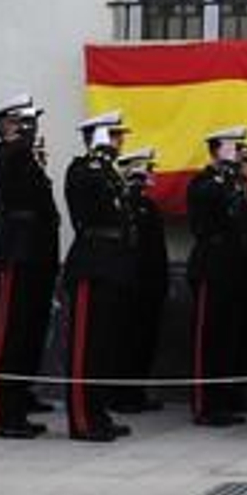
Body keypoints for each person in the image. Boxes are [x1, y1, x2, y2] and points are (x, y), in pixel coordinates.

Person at [0, 95, 60, 439]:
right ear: (11, 125)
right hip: (14, 252)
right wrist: (23, 139)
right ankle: (2, 413)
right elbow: (14, 155)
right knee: (8, 335)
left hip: (35, 254)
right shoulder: (5, 156)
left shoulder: (26, 159)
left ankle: (19, 398)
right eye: (27, 123)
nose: (34, 129)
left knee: (28, 333)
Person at [62, 112, 136, 442]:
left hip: (113, 263)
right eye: (115, 136)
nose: (121, 143)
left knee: (104, 346)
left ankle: (99, 411)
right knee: (85, 347)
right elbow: (86, 200)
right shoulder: (84, 169)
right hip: (91, 262)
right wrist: (99, 155)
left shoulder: (110, 172)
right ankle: (82, 419)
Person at [185, 127, 247, 427]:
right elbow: (209, 203)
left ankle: (224, 400)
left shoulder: (235, 185)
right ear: (219, 150)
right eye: (235, 148)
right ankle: (204, 404)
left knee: (228, 339)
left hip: (233, 267)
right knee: (208, 338)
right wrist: (228, 174)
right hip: (210, 266)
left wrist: (237, 180)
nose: (240, 155)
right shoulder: (205, 182)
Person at [109, 147, 167, 415]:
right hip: (131, 283)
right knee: (126, 342)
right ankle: (122, 394)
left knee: (144, 341)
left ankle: (136, 391)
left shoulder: (148, 204)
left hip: (149, 283)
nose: (151, 175)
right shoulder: (126, 203)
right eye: (147, 169)